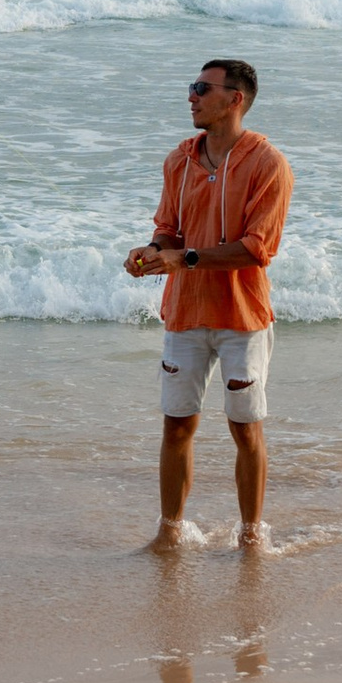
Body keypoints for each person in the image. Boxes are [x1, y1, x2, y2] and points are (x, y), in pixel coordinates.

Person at [123, 57, 293, 552]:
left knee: (245, 429)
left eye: (202, 88)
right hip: (185, 313)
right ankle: (169, 532)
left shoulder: (269, 165)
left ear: (234, 99)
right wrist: (152, 253)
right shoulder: (178, 159)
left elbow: (257, 249)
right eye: (192, 87)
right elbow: (168, 230)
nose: (191, 96)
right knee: (177, 426)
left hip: (243, 317)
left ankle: (251, 536)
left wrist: (186, 257)